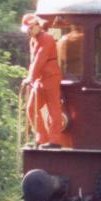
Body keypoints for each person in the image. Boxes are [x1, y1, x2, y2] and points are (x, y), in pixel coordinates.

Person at [22, 13, 63, 149]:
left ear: (36, 26)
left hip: (51, 77)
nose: (28, 32)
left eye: (29, 28)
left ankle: (55, 141)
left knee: (54, 109)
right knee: (31, 108)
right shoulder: (33, 40)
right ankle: (41, 138)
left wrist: (30, 77)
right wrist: (31, 77)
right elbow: (33, 61)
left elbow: (41, 58)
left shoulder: (47, 38)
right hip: (39, 79)